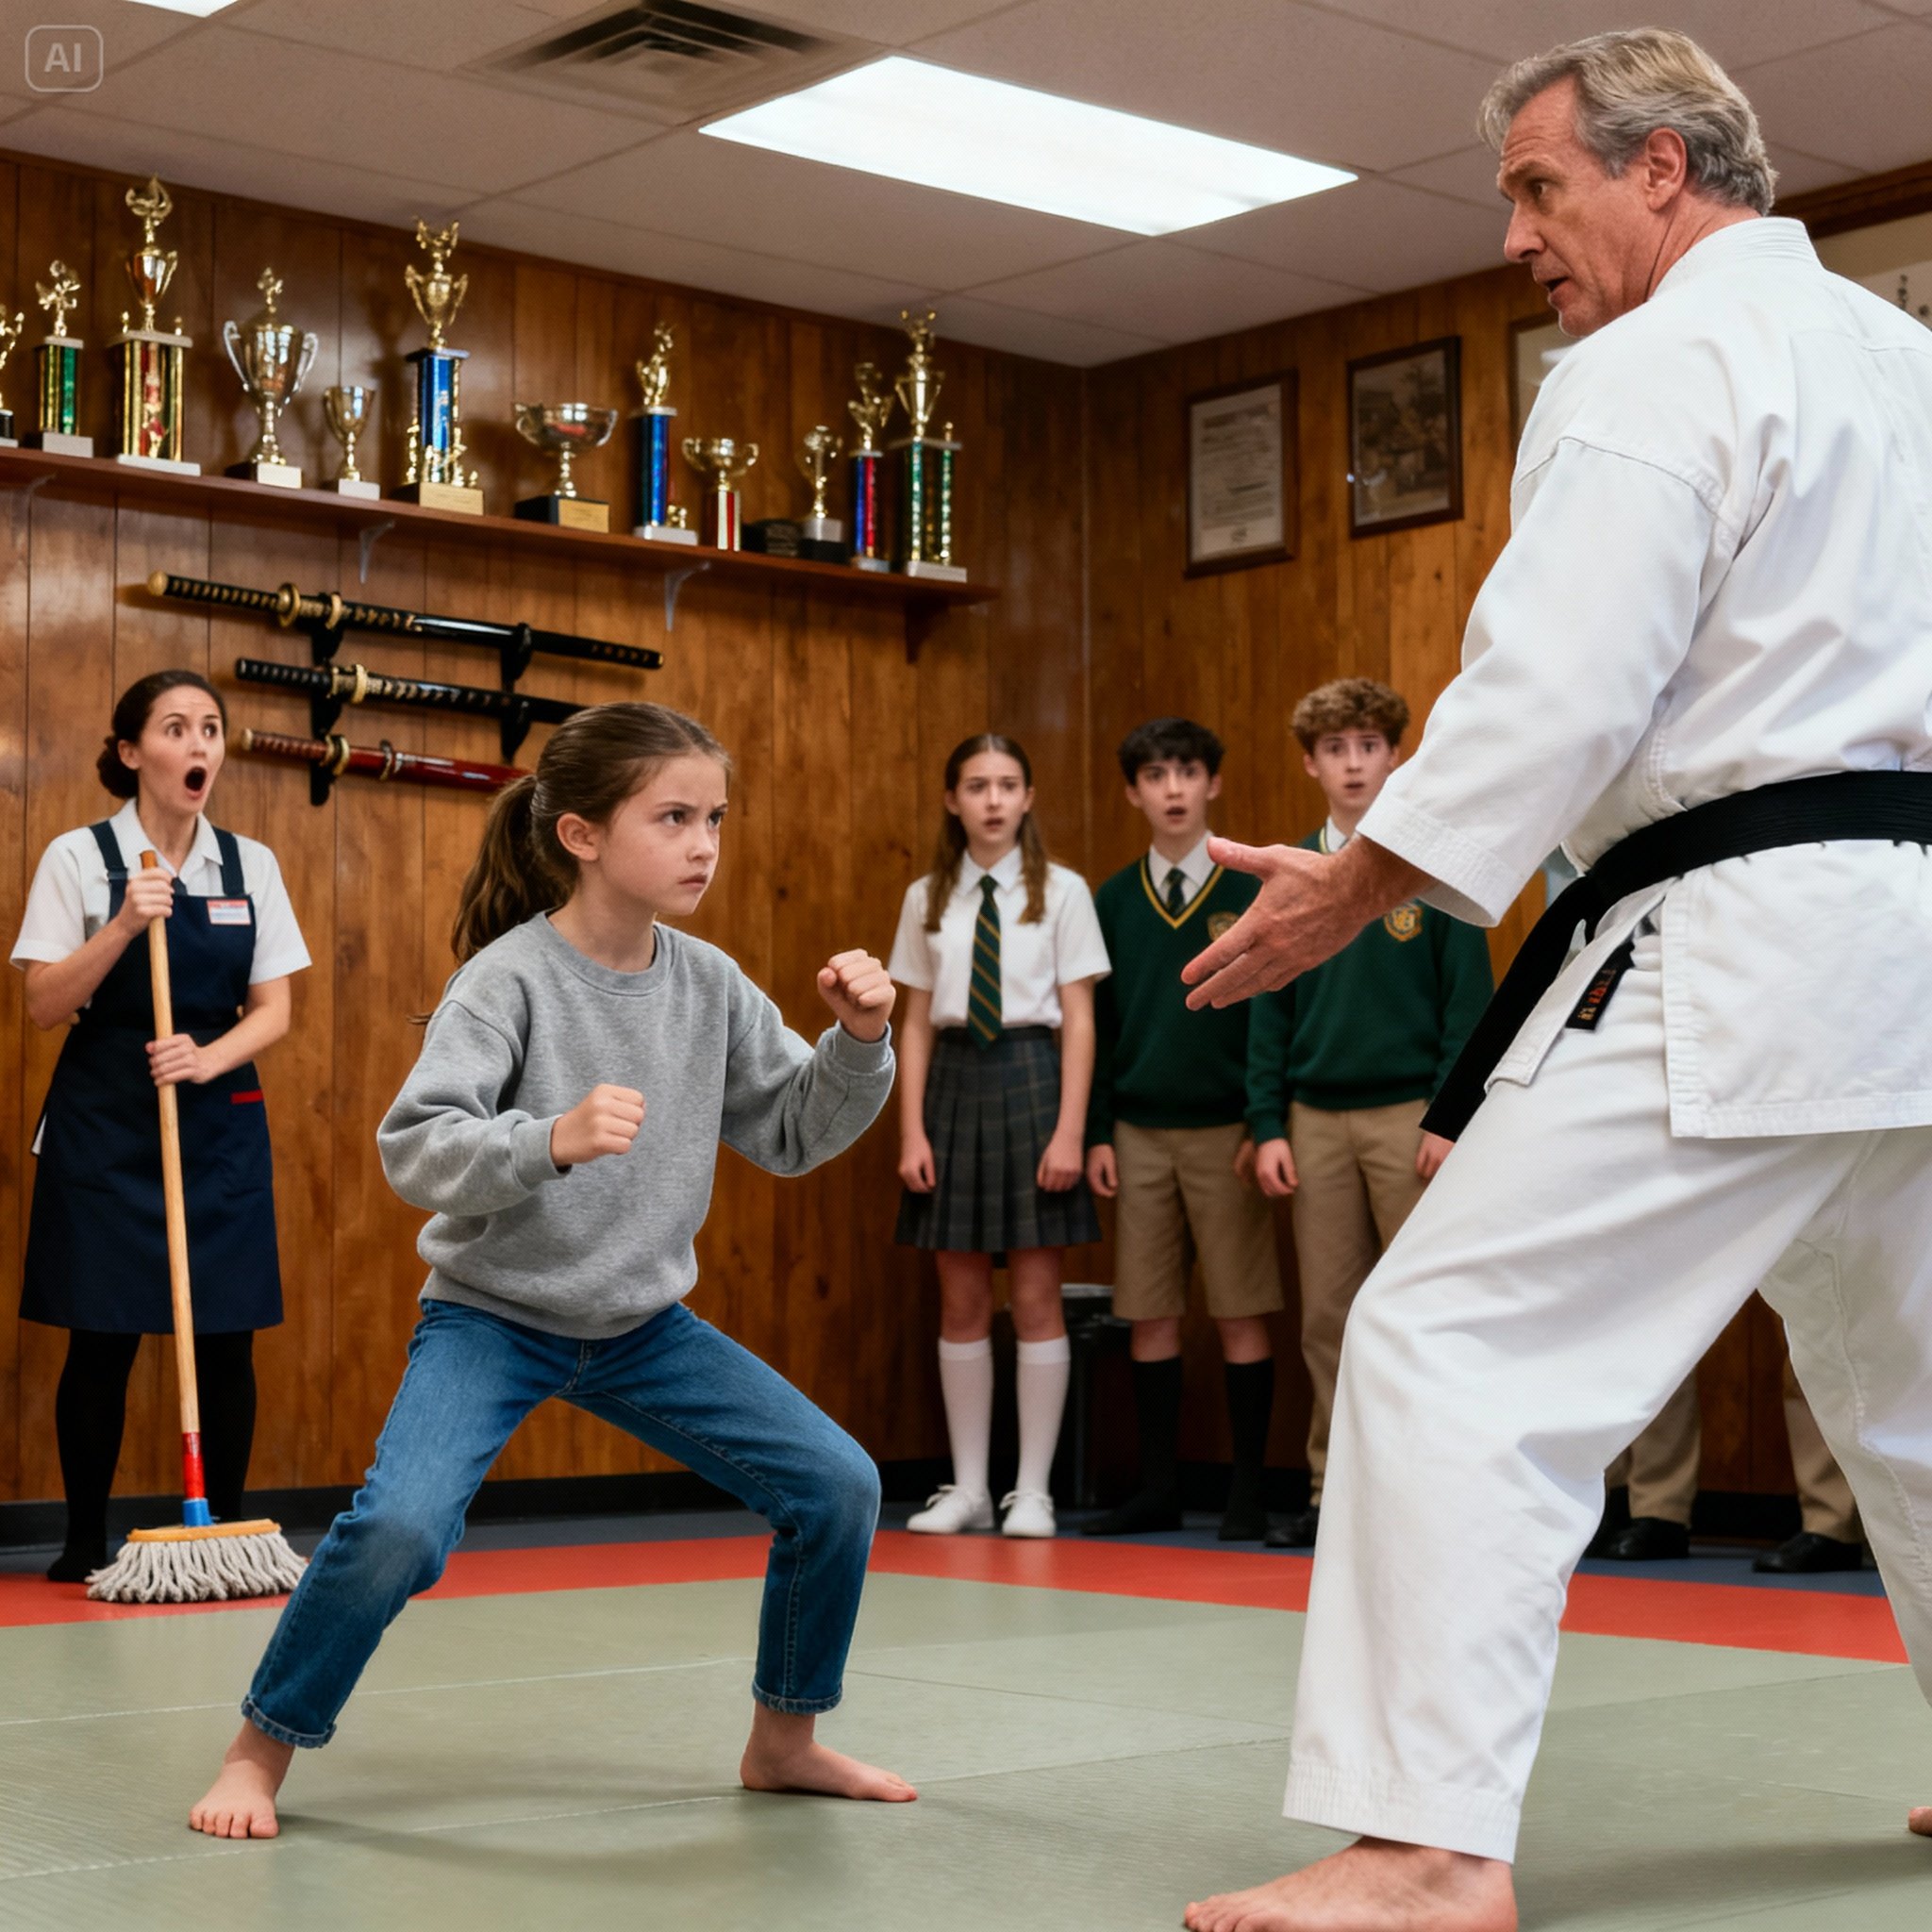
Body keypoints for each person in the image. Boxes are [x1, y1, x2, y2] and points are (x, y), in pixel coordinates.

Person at [1178, 29, 1932, 1932]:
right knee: (1915, 1382)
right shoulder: (1912, 367)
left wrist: (1364, 878)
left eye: (1539, 187)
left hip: (1745, 932)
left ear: (1665, 166)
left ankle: (1428, 1842)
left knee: (1451, 1347)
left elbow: (1562, 672)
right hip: (1913, 930)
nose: (1516, 233)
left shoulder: (1649, 364)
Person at [189, 702, 912, 1840]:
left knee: (837, 1484)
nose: (703, 842)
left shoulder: (709, 980)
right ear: (580, 834)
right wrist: (547, 1138)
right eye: (671, 816)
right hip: (493, 1315)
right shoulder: (507, 978)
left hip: (642, 1326)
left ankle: (784, 1740)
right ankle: (257, 1748)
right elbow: (414, 1146)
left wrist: (859, 1042)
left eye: (713, 816)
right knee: (398, 1531)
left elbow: (788, 1132)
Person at [12, 670, 309, 1583]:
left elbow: (275, 1008)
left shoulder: (248, 863)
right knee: (100, 1332)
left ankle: (220, 1530)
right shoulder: (78, 856)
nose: (199, 745)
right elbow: (40, 1004)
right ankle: (80, 1540)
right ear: (132, 750)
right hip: (106, 1123)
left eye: (211, 728)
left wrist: (207, 1057)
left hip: (215, 1120)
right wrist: (120, 926)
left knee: (225, 1331)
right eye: (176, 727)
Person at [1244, 679, 1491, 1551]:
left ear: (1395, 756)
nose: (1354, 764)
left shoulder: (1427, 871)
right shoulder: (1288, 872)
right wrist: (1267, 1123)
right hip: (1315, 1123)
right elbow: (1266, 1007)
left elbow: (1471, 1005)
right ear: (1312, 764)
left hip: (1410, 1120)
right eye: (1336, 749)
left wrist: (1447, 1114)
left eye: (1369, 747)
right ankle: (1331, 1489)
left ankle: (1438, 1493)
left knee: (1426, 1309)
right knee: (1328, 1315)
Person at [890, 733, 1109, 1541]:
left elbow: (1081, 1019)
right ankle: (971, 1487)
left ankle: (1034, 1491)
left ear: (1028, 798)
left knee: (1036, 1295)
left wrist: (1070, 1132)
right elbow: (912, 1021)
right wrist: (911, 1127)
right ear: (953, 799)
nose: (992, 800)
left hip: (1032, 1079)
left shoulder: (1064, 892)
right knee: (962, 1297)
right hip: (952, 1080)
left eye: (1007, 785)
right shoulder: (926, 896)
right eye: (976, 785)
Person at [1081, 717, 1280, 1542]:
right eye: (1154, 775)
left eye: (1187, 773)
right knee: (1150, 1312)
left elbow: (1272, 1010)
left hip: (1227, 1129)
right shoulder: (1113, 900)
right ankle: (1158, 1488)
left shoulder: (1248, 890)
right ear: (1133, 791)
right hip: (1138, 1132)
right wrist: (1096, 1131)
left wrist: (1262, 1119)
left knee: (1240, 1311)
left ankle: (1245, 1492)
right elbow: (1096, 1026)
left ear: (1213, 784)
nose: (1171, 789)